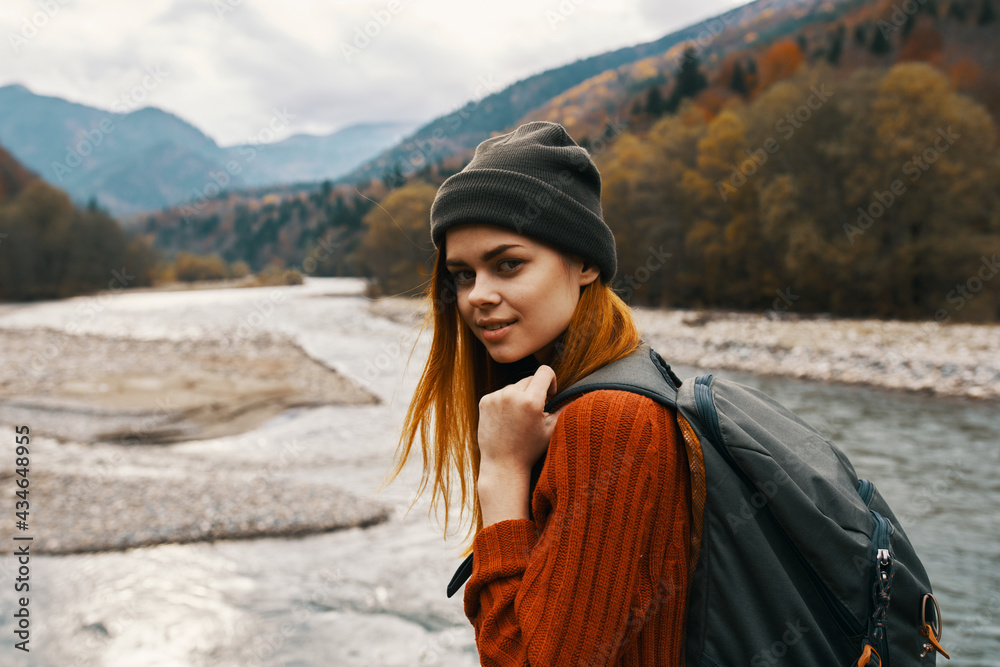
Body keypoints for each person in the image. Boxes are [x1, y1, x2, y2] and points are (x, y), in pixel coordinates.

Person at [389, 121, 693, 665]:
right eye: (462, 275)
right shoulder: (616, 384)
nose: (478, 296)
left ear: (585, 263)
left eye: (509, 264)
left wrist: (502, 470)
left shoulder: (608, 419)